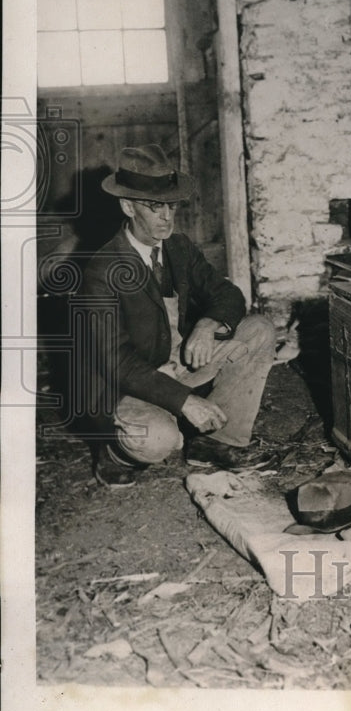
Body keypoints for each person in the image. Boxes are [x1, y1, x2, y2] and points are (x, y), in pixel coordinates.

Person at [80, 143, 275, 488]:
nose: (166, 217)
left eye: (171, 206)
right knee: (156, 439)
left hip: (178, 365)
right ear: (127, 206)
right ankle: (115, 453)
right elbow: (116, 362)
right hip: (132, 384)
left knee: (258, 329)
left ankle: (215, 443)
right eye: (154, 207)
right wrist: (184, 401)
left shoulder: (179, 247)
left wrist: (208, 323)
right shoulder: (101, 269)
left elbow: (227, 294)